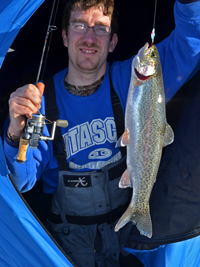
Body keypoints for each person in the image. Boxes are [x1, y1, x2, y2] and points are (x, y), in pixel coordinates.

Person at [3, 0, 200, 266]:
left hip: (127, 238)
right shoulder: (41, 102)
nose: (89, 37)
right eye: (79, 25)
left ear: (113, 41)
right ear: (64, 35)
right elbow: (22, 181)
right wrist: (14, 134)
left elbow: (191, 39)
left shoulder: (132, 79)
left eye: (101, 28)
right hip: (68, 243)